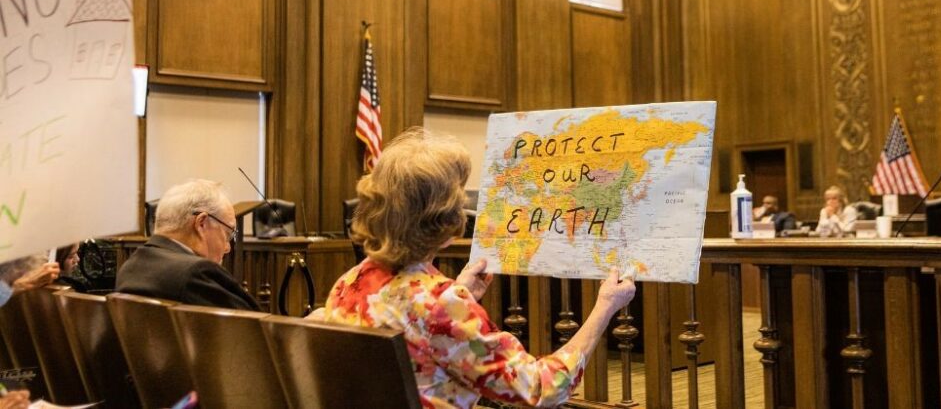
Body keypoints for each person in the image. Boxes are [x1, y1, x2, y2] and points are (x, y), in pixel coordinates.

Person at [320, 128, 637, 409]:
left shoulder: (349, 283)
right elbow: (542, 388)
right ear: (443, 220)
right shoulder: (441, 305)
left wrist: (459, 291)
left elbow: (415, 321)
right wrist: (605, 307)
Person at [115, 179, 259, 310]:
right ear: (201, 224)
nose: (227, 247)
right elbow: (255, 327)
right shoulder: (197, 273)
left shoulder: (130, 267)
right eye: (228, 234)